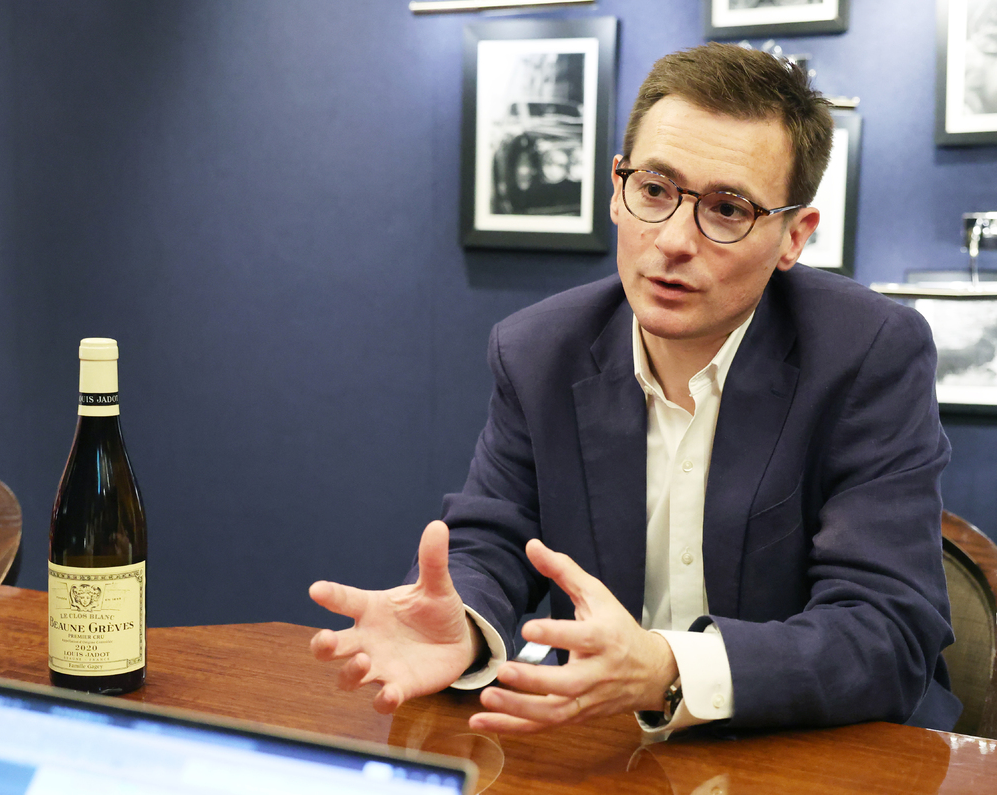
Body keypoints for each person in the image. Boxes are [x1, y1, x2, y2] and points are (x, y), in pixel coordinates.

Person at [309, 43, 961, 737]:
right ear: (617, 190)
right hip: (607, 748)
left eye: (728, 208)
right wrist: (464, 623)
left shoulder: (867, 353)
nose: (674, 240)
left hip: (819, 750)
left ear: (793, 237)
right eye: (654, 190)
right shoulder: (539, 353)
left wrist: (670, 668)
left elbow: (887, 628)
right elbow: (491, 540)